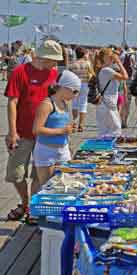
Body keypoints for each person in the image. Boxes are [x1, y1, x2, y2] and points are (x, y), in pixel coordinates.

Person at [4, 39, 61, 222]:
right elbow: (12, 102)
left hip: (44, 133)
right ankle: (26, 201)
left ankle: (32, 208)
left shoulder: (53, 73)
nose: (56, 64)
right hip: (22, 132)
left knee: (40, 173)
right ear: (43, 57)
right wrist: (12, 132)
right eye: (54, 60)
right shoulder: (20, 72)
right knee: (16, 173)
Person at [33, 70, 81, 186]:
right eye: (75, 91)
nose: (76, 95)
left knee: (66, 184)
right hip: (46, 151)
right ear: (65, 88)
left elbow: (61, 126)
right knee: (47, 187)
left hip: (62, 150)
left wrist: (69, 131)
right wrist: (62, 131)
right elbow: (36, 129)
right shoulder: (47, 104)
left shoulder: (64, 103)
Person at [94, 48, 128, 137]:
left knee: (106, 131)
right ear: (104, 58)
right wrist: (119, 62)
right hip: (108, 103)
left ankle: (105, 148)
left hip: (106, 103)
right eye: (110, 56)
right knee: (114, 131)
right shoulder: (107, 70)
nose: (112, 58)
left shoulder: (105, 69)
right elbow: (125, 76)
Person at [69, 47, 94, 132]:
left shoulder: (72, 64)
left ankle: (74, 123)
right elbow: (92, 74)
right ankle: (81, 125)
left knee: (74, 104)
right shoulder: (88, 63)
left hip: (74, 85)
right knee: (83, 104)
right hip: (85, 84)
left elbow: (69, 76)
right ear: (83, 54)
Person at [120, 45, 136, 128]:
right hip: (130, 79)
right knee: (128, 102)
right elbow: (134, 68)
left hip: (122, 79)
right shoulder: (132, 56)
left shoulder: (121, 56)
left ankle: (121, 120)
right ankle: (125, 121)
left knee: (121, 100)